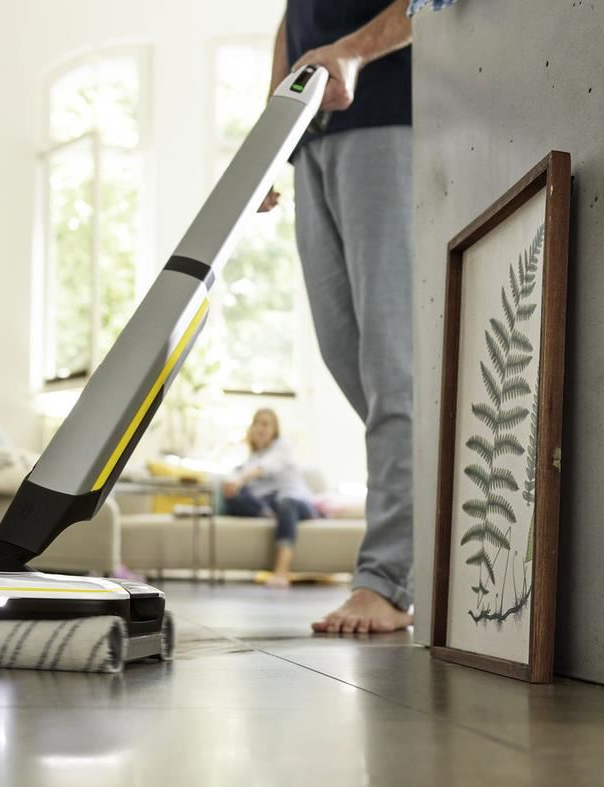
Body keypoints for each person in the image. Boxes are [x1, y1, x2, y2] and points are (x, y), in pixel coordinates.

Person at [262, 1, 414, 634]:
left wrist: (353, 50)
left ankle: (388, 580)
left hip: (386, 114)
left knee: (393, 367)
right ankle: (434, 533)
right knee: (343, 352)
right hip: (311, 136)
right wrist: (272, 128)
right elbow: (293, 17)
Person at [222, 409, 317, 589]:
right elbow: (237, 478)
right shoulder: (252, 458)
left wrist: (240, 479)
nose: (260, 428)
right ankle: (268, 513)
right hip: (269, 504)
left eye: (265, 424)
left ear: (274, 430)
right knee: (234, 496)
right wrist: (231, 484)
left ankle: (281, 571)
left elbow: (264, 468)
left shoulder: (283, 446)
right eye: (256, 423)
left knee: (285, 502)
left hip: (296, 503)